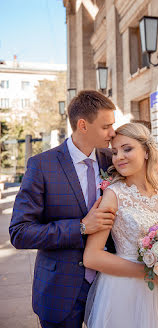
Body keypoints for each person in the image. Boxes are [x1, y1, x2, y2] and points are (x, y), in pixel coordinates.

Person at [9, 90, 117, 328]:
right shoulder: (42, 165)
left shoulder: (113, 161)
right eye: (106, 126)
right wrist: (80, 227)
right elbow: (19, 232)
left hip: (110, 287)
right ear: (83, 125)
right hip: (60, 291)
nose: (113, 132)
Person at [83, 122, 158, 328]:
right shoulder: (114, 195)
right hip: (125, 291)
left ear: (146, 151)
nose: (119, 157)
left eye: (127, 149)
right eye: (115, 152)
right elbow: (92, 256)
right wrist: (151, 274)